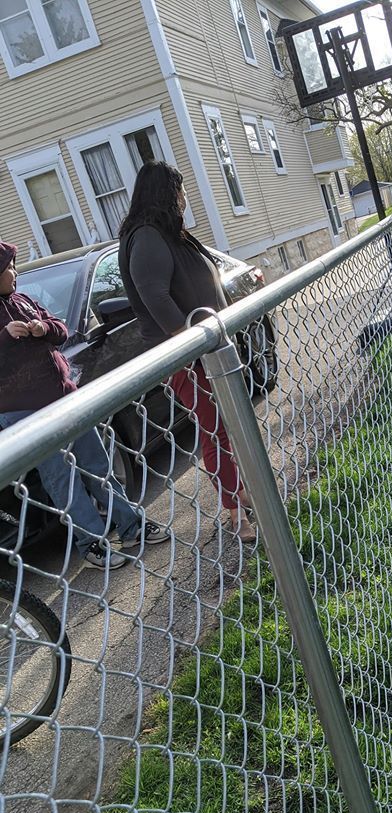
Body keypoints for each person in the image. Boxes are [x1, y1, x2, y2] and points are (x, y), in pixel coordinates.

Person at [0, 241, 169, 570]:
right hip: (27, 416)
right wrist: (5, 336)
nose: (15, 272)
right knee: (62, 478)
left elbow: (62, 330)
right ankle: (91, 541)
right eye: (8, 268)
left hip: (65, 400)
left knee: (98, 464)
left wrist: (43, 327)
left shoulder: (21, 300)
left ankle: (131, 525)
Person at [118, 160, 255, 542]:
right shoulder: (145, 236)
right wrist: (189, 342)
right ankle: (234, 512)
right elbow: (155, 295)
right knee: (215, 431)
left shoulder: (166, 233)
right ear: (166, 192)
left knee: (227, 427)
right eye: (179, 189)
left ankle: (242, 491)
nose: (183, 197)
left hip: (208, 349)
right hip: (186, 357)